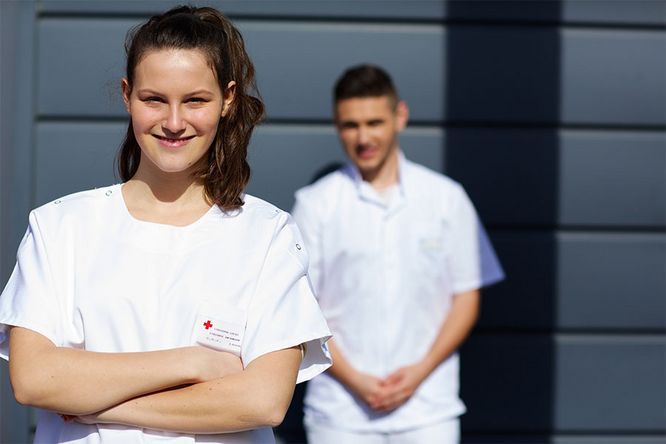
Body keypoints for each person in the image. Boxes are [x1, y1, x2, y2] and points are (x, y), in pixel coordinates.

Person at [0, 5, 331, 444]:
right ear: (126, 94)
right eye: (154, 99)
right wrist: (192, 363)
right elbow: (35, 378)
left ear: (228, 99)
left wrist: (103, 404)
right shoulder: (60, 226)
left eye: (195, 100)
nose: (174, 123)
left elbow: (262, 401)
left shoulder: (268, 234)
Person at [292, 64, 504, 443]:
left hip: (428, 411)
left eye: (374, 122)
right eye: (350, 125)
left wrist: (419, 372)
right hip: (340, 414)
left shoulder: (445, 198)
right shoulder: (315, 205)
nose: (363, 137)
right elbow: (302, 309)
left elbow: (467, 296)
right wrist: (357, 381)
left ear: (399, 117)